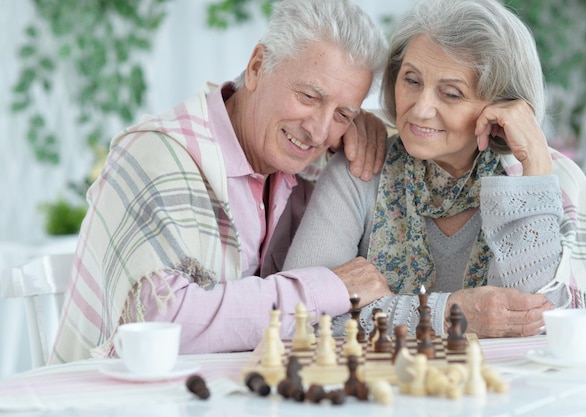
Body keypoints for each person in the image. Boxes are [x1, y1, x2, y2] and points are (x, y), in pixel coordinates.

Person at [51, 0, 392, 363]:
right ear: (258, 66)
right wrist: (330, 287)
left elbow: (428, 149)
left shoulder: (304, 161)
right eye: (309, 96)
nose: (319, 130)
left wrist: (373, 127)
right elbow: (159, 319)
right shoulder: (156, 155)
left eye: (342, 113)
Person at [284, 0, 586, 341]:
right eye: (411, 80)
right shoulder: (362, 165)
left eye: (451, 93)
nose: (420, 109)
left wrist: (533, 167)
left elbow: (535, 323)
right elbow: (299, 314)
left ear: (500, 104)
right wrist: (449, 315)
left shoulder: (541, 181)